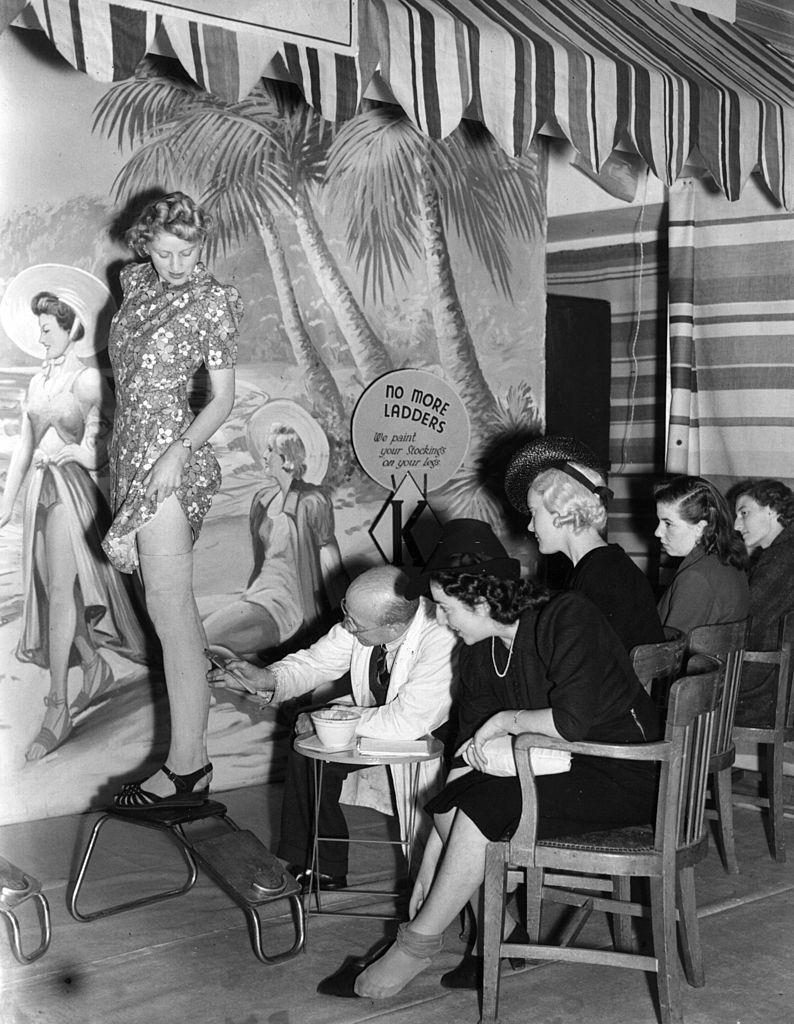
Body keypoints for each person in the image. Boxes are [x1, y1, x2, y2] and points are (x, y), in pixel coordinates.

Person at [320, 518, 660, 1000]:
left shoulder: (567, 616)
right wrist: (428, 862)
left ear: (480, 599)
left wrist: (505, 721)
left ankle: (418, 943)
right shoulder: (480, 653)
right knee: (452, 800)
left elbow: (572, 723)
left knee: (488, 805)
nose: (441, 619)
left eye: (445, 607)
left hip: (619, 771)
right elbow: (462, 757)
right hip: (551, 767)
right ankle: (499, 935)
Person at [102, 191, 243, 810]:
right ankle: (190, 763)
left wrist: (178, 452)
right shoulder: (134, 286)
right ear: (146, 248)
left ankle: (189, 765)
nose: (179, 265)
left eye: (188, 252)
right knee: (164, 614)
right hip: (128, 458)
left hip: (170, 461)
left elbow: (222, 400)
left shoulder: (211, 301)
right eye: (166, 254)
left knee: (172, 614)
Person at [209, 564, 458, 890]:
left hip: (432, 736)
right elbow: (317, 661)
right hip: (385, 719)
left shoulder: (439, 636)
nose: (347, 626)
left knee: (317, 725)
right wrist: (266, 677)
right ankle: (320, 862)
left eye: (355, 624)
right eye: (346, 614)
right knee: (308, 743)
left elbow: (407, 721)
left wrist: (330, 719)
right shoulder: (365, 620)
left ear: (394, 625)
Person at [0, 266, 147, 761]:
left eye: (47, 327)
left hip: (70, 492)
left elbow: (109, 438)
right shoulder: (39, 381)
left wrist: (81, 455)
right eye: (40, 326)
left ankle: (57, 707)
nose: (40, 335)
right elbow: (22, 447)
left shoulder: (86, 379)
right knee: (46, 587)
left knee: (61, 591)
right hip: (39, 491)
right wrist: (5, 505)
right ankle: (95, 666)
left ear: (70, 327)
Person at [203, 406, 346, 658]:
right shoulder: (262, 500)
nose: (264, 455)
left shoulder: (312, 501)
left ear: (288, 458)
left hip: (286, 606)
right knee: (202, 639)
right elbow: (262, 562)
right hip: (257, 595)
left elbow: (329, 556)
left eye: (271, 450)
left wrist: (342, 607)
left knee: (204, 639)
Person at [504, 435, 664, 651]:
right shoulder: (606, 566)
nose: (530, 527)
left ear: (560, 509)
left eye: (534, 512)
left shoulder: (599, 578)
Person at [728, 479, 794, 726]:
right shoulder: (783, 551)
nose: (736, 525)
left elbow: (746, 620)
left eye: (744, 513)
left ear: (772, 509)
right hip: (779, 685)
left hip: (767, 691)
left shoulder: (782, 557)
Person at [654, 475, 748, 635]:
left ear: (700, 528)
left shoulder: (696, 577)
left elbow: (670, 653)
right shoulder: (726, 562)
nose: (658, 532)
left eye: (668, 524)